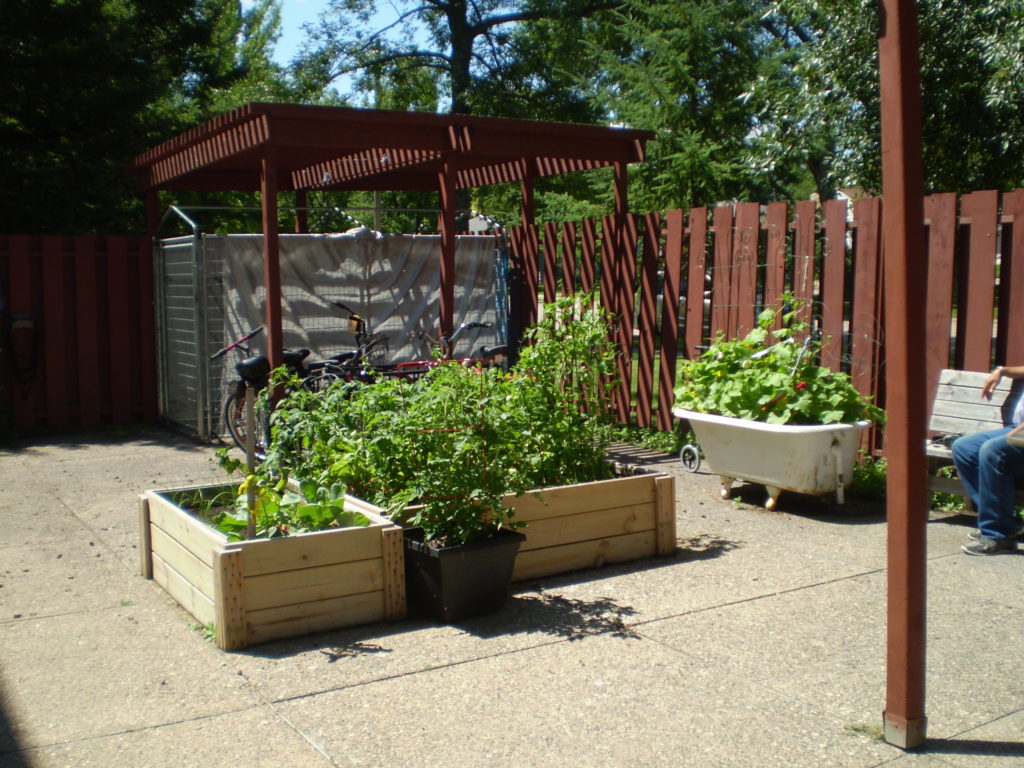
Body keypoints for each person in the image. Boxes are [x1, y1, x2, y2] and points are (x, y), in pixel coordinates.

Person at [951, 365, 1024, 555]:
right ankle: (1008, 521)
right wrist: (1003, 371)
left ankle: (998, 534)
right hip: (1019, 427)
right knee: (964, 448)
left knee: (993, 451)